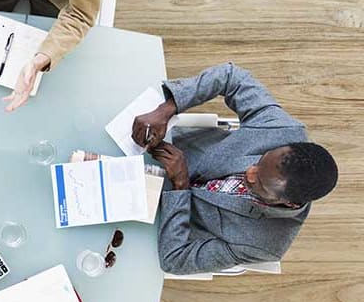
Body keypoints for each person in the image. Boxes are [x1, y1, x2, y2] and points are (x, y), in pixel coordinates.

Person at [130, 62, 339, 275]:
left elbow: (175, 260)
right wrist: (165, 110)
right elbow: (231, 77)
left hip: (149, 214)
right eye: (260, 161)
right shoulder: (283, 130)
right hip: (153, 145)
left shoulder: (263, 246)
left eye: (260, 182)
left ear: (288, 202)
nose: (249, 172)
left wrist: (180, 185)